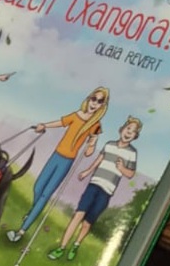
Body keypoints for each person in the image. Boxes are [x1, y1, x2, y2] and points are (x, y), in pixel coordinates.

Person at [6, 87, 110, 243]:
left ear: (102, 106)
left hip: (67, 161)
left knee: (45, 194)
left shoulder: (95, 125)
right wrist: (44, 125)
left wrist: (92, 143)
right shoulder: (76, 115)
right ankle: (33, 212)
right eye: (94, 98)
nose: (95, 103)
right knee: (38, 187)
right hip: (56, 155)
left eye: (99, 101)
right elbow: (60, 122)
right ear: (89, 99)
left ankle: (20, 232)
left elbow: (89, 152)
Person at [48, 116, 142, 261]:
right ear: (122, 129)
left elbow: (130, 174)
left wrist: (122, 168)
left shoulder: (132, 153)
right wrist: (87, 171)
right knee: (78, 215)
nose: (129, 132)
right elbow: (99, 159)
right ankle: (62, 247)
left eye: (133, 131)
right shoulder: (109, 145)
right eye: (128, 128)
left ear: (135, 136)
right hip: (94, 184)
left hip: (107, 191)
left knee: (87, 223)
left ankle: (76, 244)